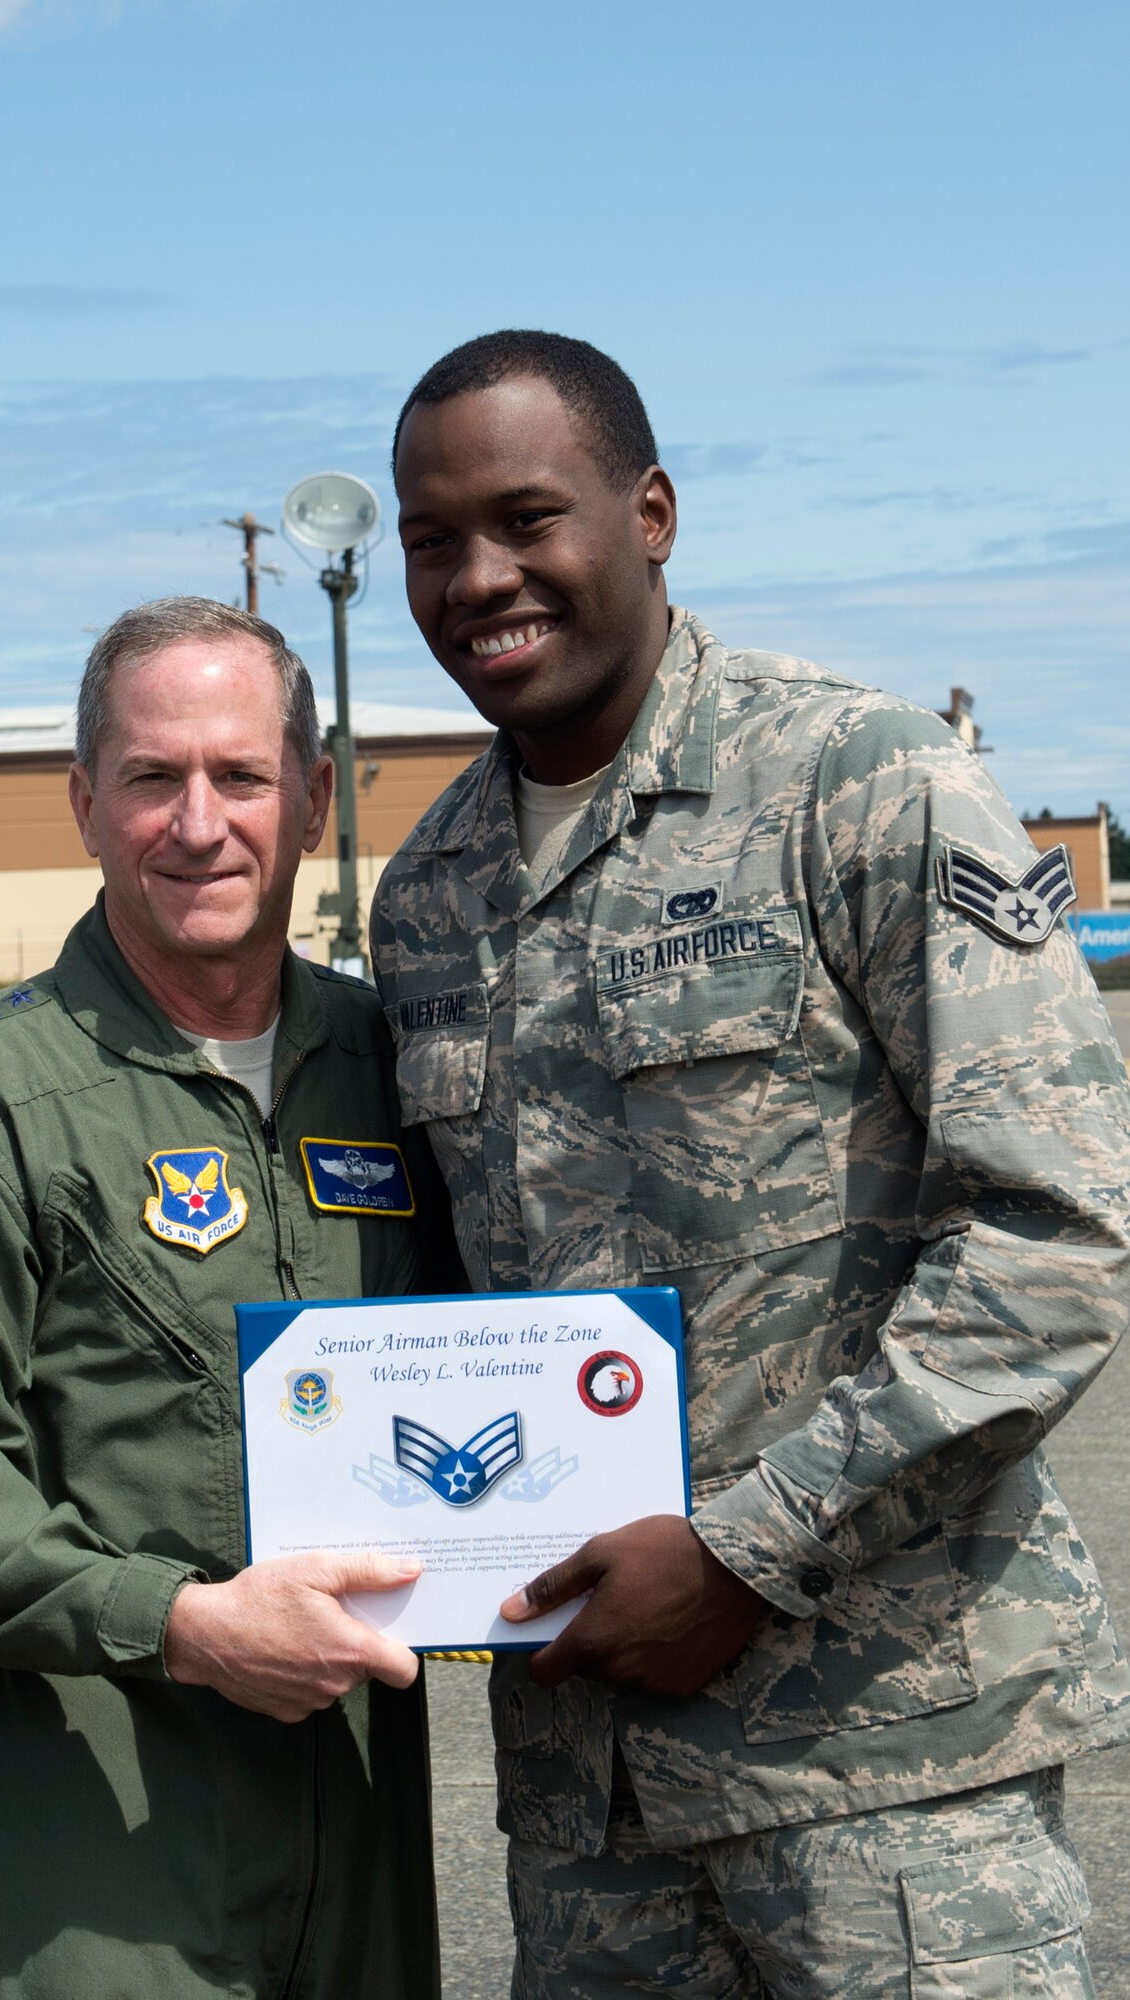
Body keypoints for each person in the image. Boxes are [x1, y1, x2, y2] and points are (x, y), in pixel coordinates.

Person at [370, 331, 1130, 1998]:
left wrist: (749, 1549)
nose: (477, 578)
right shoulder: (428, 892)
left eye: (525, 518)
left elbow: (1061, 1233)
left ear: (648, 512)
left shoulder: (858, 783)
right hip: (595, 1798)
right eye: (434, 541)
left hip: (890, 1761)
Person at [0, 597, 461, 2000]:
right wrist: (178, 1622)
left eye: (242, 775)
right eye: (154, 778)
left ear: (314, 795)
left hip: (360, 1840)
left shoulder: (400, 1072)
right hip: (94, 1865)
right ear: (86, 803)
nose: (199, 822)